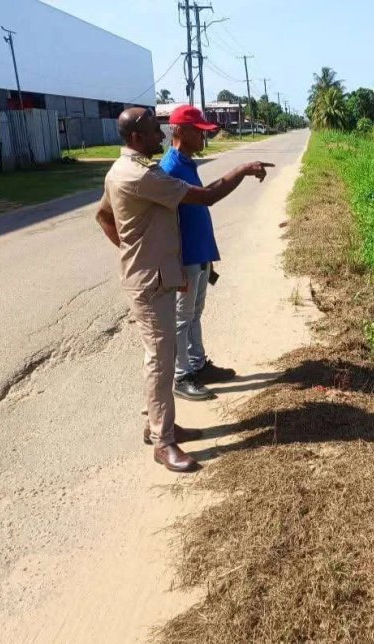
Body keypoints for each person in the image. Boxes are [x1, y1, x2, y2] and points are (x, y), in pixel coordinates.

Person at [95, 107, 273, 472]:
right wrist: (241, 168)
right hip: (151, 281)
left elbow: (103, 216)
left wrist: (133, 251)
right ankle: (163, 443)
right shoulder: (143, 176)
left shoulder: (121, 170)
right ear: (134, 138)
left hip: (151, 275)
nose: (160, 136)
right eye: (151, 131)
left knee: (162, 354)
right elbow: (206, 197)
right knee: (160, 362)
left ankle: (158, 425)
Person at [160, 105, 236, 401]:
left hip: (199, 255)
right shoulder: (169, 168)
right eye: (199, 131)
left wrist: (209, 258)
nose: (204, 137)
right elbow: (168, 224)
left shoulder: (187, 162)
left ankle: (198, 363)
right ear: (180, 131)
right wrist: (175, 263)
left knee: (195, 314)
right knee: (181, 318)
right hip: (185, 259)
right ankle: (181, 376)